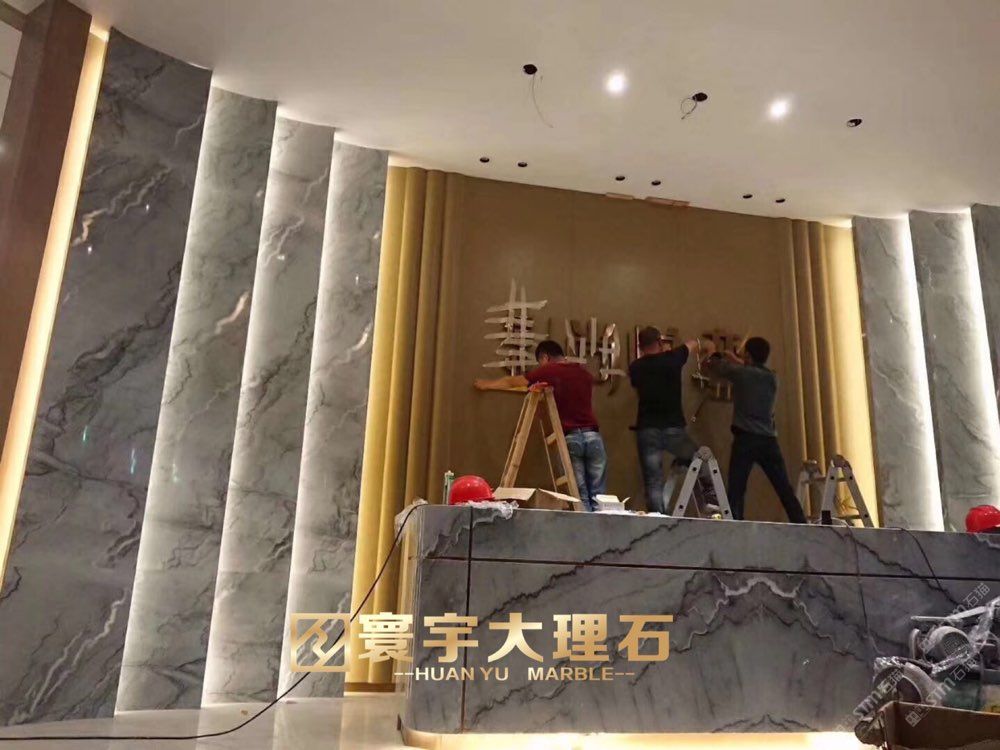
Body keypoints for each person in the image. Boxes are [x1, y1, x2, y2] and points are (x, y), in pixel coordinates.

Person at [474, 340, 607, 511]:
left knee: (580, 496)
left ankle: (586, 529)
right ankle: (602, 529)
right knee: (599, 496)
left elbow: (515, 382)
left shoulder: (549, 370)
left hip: (571, 438)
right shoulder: (584, 373)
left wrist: (486, 385)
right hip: (594, 437)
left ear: (545, 357)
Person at [707, 336, 807, 523]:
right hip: (769, 440)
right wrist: (738, 360)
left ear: (747, 355)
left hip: (745, 439)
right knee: (783, 487)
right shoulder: (772, 378)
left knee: (737, 487)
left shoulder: (742, 374)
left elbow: (717, 366)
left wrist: (713, 351)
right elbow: (751, 370)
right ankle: (800, 521)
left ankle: (736, 524)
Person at [628, 326, 716, 514]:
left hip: (647, 429)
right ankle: (710, 495)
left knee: (653, 480)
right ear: (660, 342)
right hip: (673, 427)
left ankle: (656, 517)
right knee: (697, 458)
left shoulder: (635, 367)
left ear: (640, 346)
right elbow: (693, 344)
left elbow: (638, 386)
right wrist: (708, 346)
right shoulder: (672, 359)